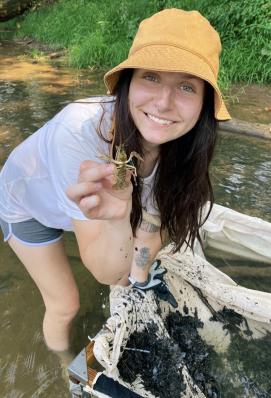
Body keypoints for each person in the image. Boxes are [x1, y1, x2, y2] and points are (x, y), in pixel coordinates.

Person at [0, 8, 230, 354]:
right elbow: (106, 271)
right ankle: (64, 370)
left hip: (95, 207)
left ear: (204, 104)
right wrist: (119, 221)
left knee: (129, 268)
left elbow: (151, 231)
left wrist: (134, 268)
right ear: (127, 83)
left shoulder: (184, 148)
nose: (164, 103)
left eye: (186, 86)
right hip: (27, 204)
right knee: (65, 304)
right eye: (151, 77)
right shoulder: (78, 133)